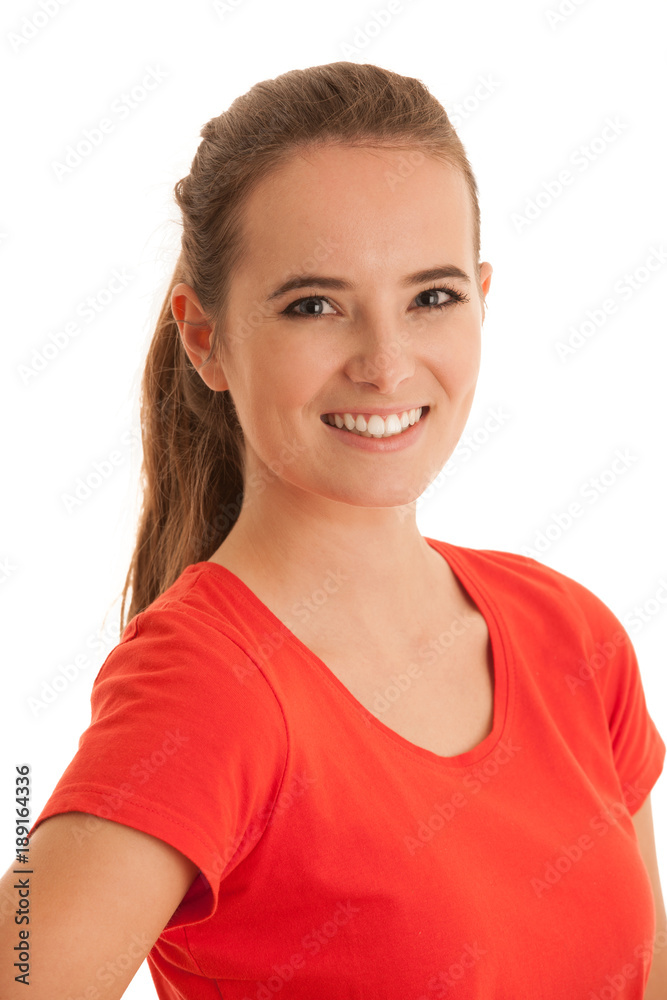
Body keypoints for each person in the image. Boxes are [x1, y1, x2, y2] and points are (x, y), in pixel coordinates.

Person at [1, 61, 665, 1000]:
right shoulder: (208, 687)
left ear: (482, 297)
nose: (385, 365)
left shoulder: (571, 636)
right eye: (313, 305)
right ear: (204, 338)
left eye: (431, 297)